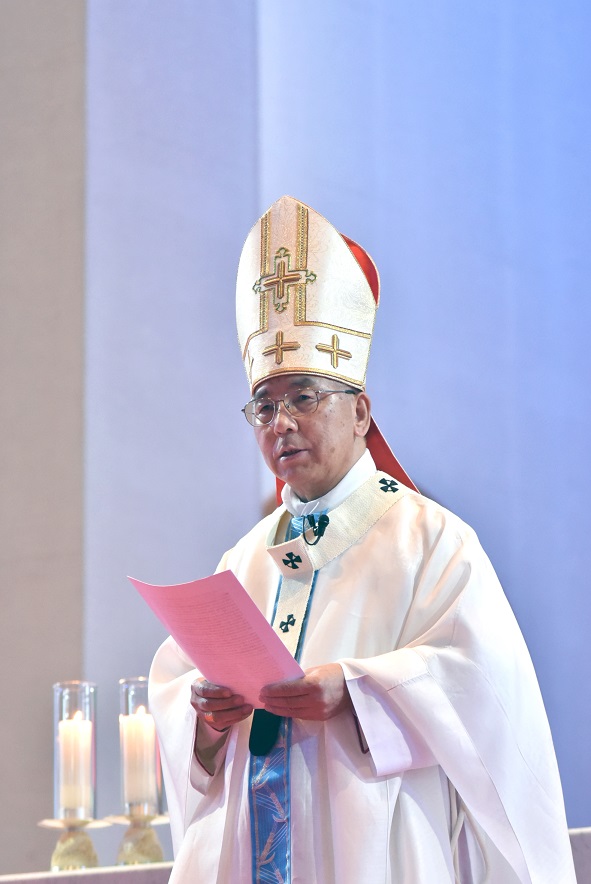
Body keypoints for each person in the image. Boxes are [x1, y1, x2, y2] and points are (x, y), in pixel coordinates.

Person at [149, 196, 575, 883]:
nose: (281, 423)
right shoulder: (244, 558)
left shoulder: (432, 540)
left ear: (361, 412)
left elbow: (487, 692)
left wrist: (355, 693)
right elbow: (177, 694)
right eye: (264, 406)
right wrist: (204, 718)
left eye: (303, 396)